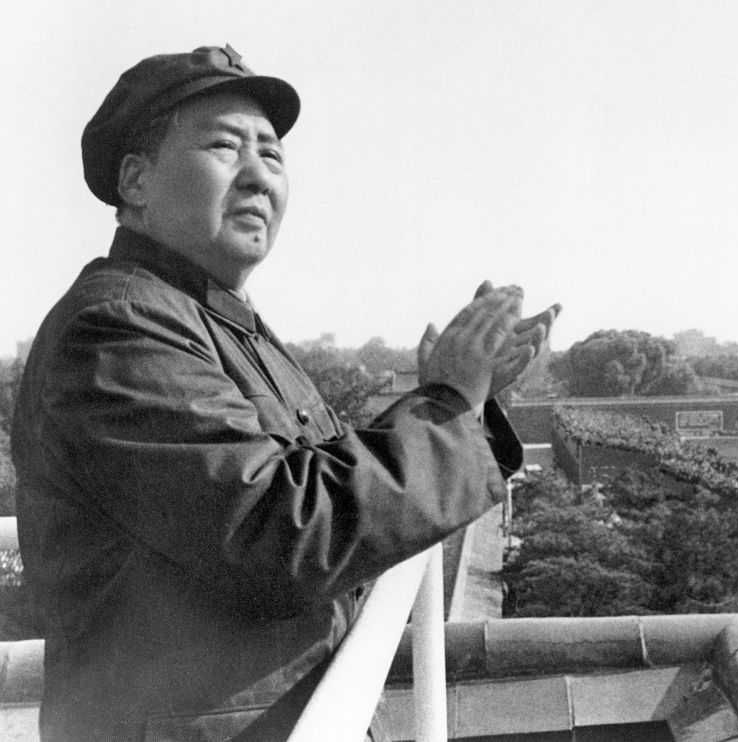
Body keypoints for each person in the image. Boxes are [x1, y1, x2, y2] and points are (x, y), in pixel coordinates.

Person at [12, 44, 559, 742]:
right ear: (136, 180)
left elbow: (314, 480)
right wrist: (447, 402)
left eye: (271, 155)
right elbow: (282, 531)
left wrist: (463, 403)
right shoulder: (117, 328)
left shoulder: (212, 320)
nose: (257, 176)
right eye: (224, 146)